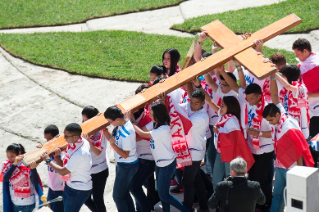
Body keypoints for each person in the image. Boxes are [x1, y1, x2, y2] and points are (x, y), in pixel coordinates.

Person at [219, 63, 274, 210]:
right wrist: (230, 70)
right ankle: (257, 202)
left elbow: (274, 132)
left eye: (251, 98)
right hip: (252, 148)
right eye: (247, 98)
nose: (248, 100)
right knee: (253, 178)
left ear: (259, 96)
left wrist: (259, 133)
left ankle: (268, 203)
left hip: (265, 150)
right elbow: (237, 86)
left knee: (260, 179)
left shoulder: (267, 109)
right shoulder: (248, 101)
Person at [263, 73, 314, 212]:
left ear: (277, 115)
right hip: (280, 164)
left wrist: (299, 172)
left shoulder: (288, 128)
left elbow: (299, 149)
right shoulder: (281, 113)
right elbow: (274, 96)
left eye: (271, 120)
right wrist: (272, 77)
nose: (270, 123)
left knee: (294, 198)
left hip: (291, 168)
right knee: (277, 195)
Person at [194, 78, 255, 190]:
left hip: (230, 156)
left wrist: (218, 132)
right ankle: (219, 202)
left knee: (230, 182)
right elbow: (209, 100)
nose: (220, 107)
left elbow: (233, 140)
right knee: (216, 181)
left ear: (229, 108)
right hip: (221, 154)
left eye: (222, 106)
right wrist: (199, 87)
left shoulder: (232, 121)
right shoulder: (223, 116)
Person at [128, 102, 188, 212]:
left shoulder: (164, 128)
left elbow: (142, 134)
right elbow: (141, 130)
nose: (149, 116)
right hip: (160, 164)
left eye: (151, 114)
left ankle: (185, 210)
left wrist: (131, 122)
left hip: (167, 165)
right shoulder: (155, 124)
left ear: (158, 115)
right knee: (163, 194)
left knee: (164, 195)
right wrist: (131, 116)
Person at [41, 123, 92, 212]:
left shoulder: (80, 153)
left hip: (78, 189)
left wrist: (48, 161)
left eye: (66, 136)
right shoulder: (79, 142)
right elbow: (64, 165)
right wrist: (52, 152)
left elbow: (63, 171)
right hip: (70, 186)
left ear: (75, 137)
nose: (64, 138)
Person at [176, 88, 209, 212]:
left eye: (196, 103)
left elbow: (185, 123)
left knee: (187, 182)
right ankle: (204, 207)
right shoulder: (191, 108)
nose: (193, 106)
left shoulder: (202, 117)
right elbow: (180, 107)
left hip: (195, 154)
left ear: (203, 103)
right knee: (196, 180)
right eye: (191, 102)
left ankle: (187, 208)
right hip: (191, 151)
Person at [103, 106, 139, 212]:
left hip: (127, 165)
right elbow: (112, 139)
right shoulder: (121, 124)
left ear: (117, 119)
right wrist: (105, 130)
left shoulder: (127, 132)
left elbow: (125, 154)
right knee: (124, 193)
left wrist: (113, 146)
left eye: (110, 122)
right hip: (123, 164)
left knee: (117, 196)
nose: (110, 124)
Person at [127, 85, 156, 212]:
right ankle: (142, 208)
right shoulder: (135, 117)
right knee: (137, 186)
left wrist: (132, 122)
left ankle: (146, 208)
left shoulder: (150, 119)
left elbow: (138, 137)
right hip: (138, 158)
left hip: (148, 159)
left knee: (134, 187)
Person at [1, 143, 43, 212]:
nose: (9, 159)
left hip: (29, 203)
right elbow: (5, 178)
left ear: (19, 153)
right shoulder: (7, 165)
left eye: (12, 156)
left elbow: (35, 182)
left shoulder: (27, 163)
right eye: (8, 156)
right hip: (15, 202)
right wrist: (14, 165)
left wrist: (33, 169)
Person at [82, 106, 109, 212]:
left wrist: (88, 141)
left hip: (99, 171)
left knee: (98, 199)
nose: (85, 122)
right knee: (86, 198)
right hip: (88, 171)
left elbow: (98, 152)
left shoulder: (101, 131)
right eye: (83, 120)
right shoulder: (84, 131)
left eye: (86, 120)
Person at [292, 38, 319, 138]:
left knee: (315, 140)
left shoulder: (313, 68)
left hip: (316, 111)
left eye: (298, 54)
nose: (296, 56)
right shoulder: (313, 57)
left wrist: (304, 94)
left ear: (305, 51)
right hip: (311, 109)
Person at [275, 65, 310, 139]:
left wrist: (275, 74)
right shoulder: (284, 88)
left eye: (282, 75)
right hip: (288, 124)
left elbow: (288, 86)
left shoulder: (301, 88)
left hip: (299, 126)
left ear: (287, 76)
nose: (281, 77)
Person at [43, 125, 64, 212]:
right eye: (46, 139)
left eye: (49, 139)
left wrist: (56, 156)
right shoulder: (48, 147)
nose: (47, 142)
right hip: (52, 187)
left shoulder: (62, 150)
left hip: (61, 188)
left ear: (56, 137)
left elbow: (63, 167)